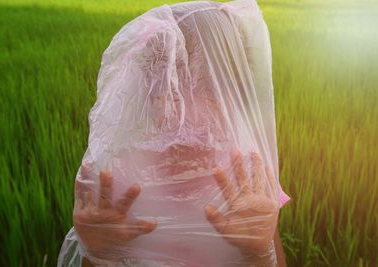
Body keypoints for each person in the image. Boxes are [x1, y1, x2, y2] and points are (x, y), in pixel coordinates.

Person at [58, 1, 291, 266]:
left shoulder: (247, 175)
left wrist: (259, 251)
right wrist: (99, 253)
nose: (185, 113)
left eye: (209, 91)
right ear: (148, 90)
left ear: (234, 92)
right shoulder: (120, 180)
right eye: (170, 87)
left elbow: (272, 256)